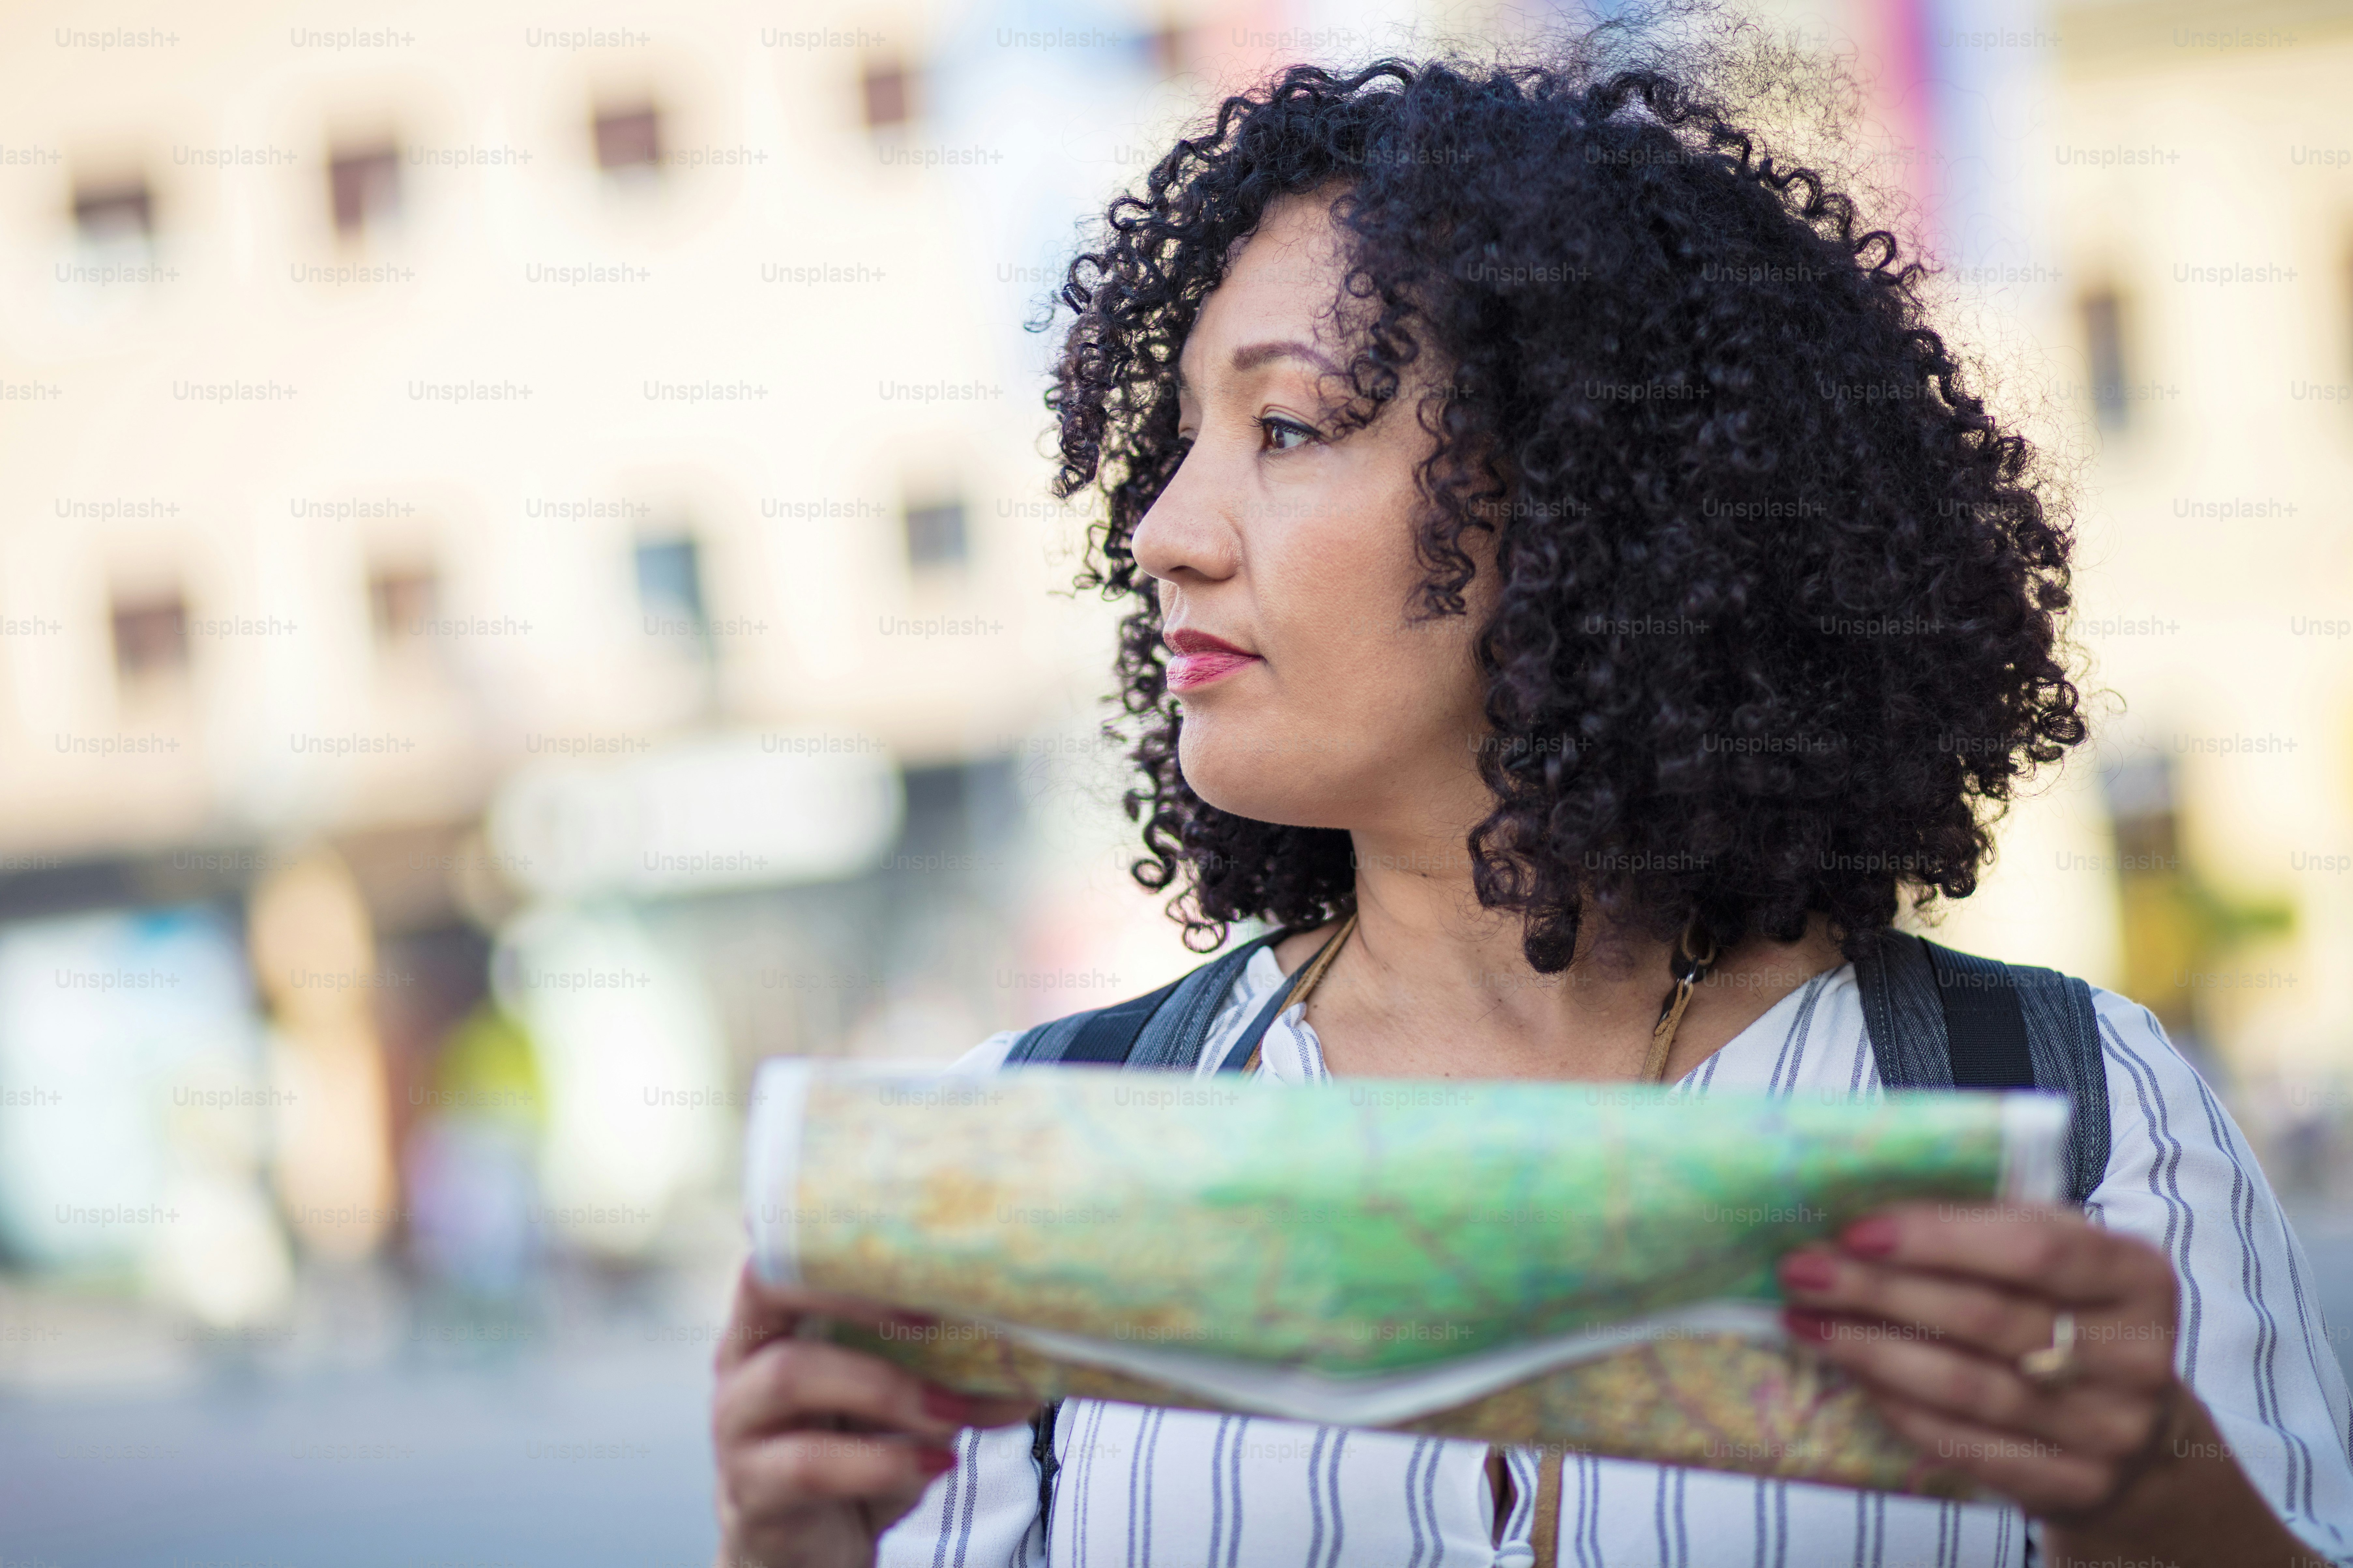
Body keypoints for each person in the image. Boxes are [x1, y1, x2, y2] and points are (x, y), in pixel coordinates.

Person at [710, 34, 2353, 1568]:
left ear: (1585, 503)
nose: (1164, 531)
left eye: (1283, 427)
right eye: (1177, 435)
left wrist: (2153, 1495)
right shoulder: (1030, 1157)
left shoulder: (2083, 1119)